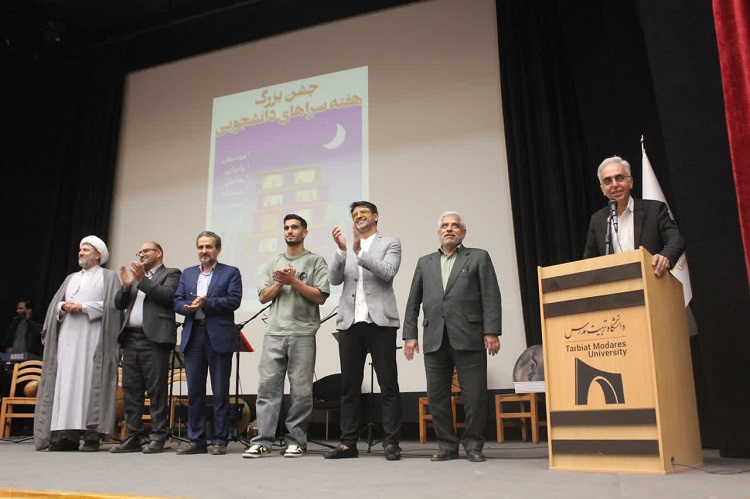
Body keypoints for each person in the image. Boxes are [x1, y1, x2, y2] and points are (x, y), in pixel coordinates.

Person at [403, 211, 502, 463]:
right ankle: (447, 445)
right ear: (439, 233)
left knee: (475, 396)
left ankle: (473, 445)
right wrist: (410, 336)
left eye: (455, 225)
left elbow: (491, 295)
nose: (449, 229)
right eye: (445, 226)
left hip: (470, 335)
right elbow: (413, 302)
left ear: (463, 232)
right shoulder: (424, 262)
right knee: (437, 397)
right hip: (434, 338)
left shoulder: (478, 257)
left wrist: (491, 331)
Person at [243, 214, 329, 459]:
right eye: (286, 228)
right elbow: (263, 297)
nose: (289, 231)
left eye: (294, 227)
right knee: (267, 389)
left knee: (301, 391)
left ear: (305, 232)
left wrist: (293, 281)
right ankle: (263, 441)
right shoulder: (273, 263)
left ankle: (296, 441)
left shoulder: (315, 261)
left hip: (303, 333)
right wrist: (281, 283)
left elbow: (320, 296)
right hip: (274, 333)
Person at [324, 201, 402, 461]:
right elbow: (334, 279)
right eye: (355, 214)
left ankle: (391, 443)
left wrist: (360, 253)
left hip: (380, 323)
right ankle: (348, 443)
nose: (358, 217)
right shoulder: (346, 247)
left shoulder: (390, 242)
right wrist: (341, 250)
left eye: (363, 213)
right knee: (349, 386)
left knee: (388, 384)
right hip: (350, 322)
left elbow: (388, 272)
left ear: (375, 216)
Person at [34, 236, 123, 452]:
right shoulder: (70, 278)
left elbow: (114, 307)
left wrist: (83, 307)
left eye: (86, 250)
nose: (81, 253)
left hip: (93, 339)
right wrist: (63, 307)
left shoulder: (108, 277)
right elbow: (54, 305)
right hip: (67, 339)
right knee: (66, 383)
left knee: (90, 381)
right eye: (80, 250)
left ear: (98, 255)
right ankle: (66, 435)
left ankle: (92, 435)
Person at [173, 231, 242, 456]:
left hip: (218, 336)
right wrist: (187, 308)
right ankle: (197, 440)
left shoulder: (230, 272)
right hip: (193, 335)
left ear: (218, 249)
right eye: (201, 247)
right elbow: (177, 300)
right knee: (194, 391)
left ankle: (220, 440)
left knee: (220, 391)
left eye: (209, 247)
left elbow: (234, 300)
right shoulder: (188, 273)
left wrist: (206, 302)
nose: (204, 251)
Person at [110, 242, 181, 454]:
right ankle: (133, 436)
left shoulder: (171, 273)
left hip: (155, 339)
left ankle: (158, 436)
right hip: (131, 338)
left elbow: (168, 296)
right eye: (139, 252)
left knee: (156, 390)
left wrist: (142, 280)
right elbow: (119, 304)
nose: (141, 254)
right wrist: (125, 287)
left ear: (159, 253)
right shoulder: (135, 277)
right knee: (131, 390)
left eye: (146, 251)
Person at [583, 156, 685, 276]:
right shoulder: (597, 220)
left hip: (651, 280)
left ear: (630, 182)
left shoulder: (654, 210)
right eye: (608, 181)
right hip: (615, 285)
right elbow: (588, 261)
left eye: (619, 178)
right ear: (602, 189)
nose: (614, 185)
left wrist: (665, 257)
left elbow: (676, 238)